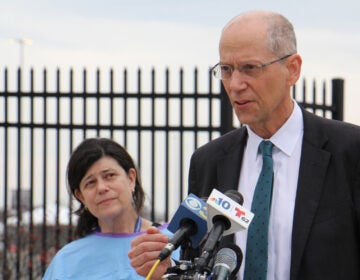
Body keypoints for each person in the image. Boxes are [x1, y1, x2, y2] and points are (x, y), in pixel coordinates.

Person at [129, 10, 360, 280]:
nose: (235, 84)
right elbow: (198, 263)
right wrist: (167, 271)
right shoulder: (209, 162)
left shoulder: (350, 152)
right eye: (226, 70)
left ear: (292, 69)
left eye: (250, 68)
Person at [43, 138, 176, 280]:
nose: (101, 188)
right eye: (90, 182)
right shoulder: (66, 262)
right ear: (81, 196)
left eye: (110, 176)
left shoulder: (176, 242)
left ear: (131, 179)